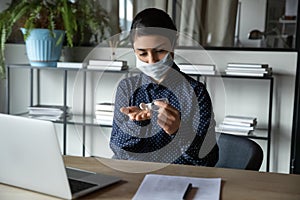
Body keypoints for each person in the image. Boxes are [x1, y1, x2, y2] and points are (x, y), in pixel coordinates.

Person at [109, 8, 218, 166]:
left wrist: (178, 131)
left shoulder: (196, 92)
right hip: (136, 178)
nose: (152, 60)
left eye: (160, 51)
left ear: (173, 44)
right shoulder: (127, 88)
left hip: (181, 179)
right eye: (142, 53)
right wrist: (136, 124)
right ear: (133, 50)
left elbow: (208, 160)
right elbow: (117, 150)